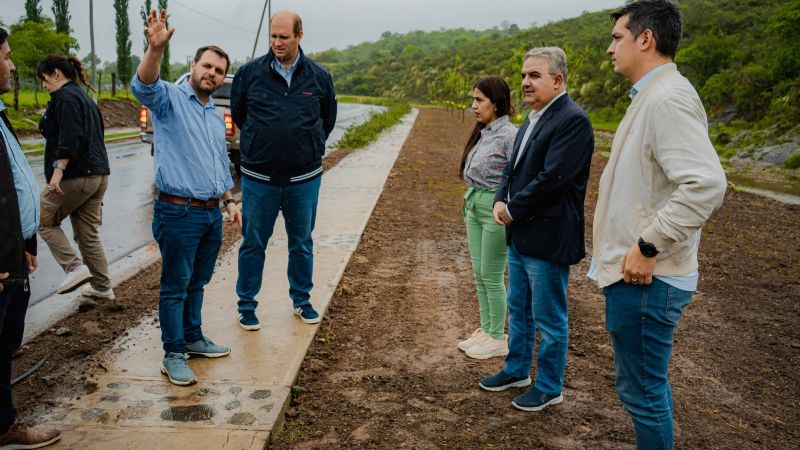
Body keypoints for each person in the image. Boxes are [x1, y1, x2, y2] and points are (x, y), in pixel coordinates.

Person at [593, 1, 726, 447]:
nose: (610, 48)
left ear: (645, 39)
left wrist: (647, 246)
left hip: (649, 279)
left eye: (617, 38)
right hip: (642, 278)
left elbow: (705, 184)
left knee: (643, 391)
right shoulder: (653, 95)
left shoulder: (667, 98)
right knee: (644, 387)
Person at [478, 47, 594, 413]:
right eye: (524, 75)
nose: (525, 82)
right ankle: (515, 370)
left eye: (535, 76)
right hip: (521, 234)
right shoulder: (531, 119)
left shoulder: (572, 120)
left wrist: (512, 209)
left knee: (549, 316)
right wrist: (499, 198)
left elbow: (552, 180)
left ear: (557, 80)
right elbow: (510, 170)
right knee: (519, 309)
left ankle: (549, 385)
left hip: (548, 235)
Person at [131, 9, 242, 386]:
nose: (212, 74)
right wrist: (155, 49)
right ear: (193, 65)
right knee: (175, 286)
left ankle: (194, 338)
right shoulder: (170, 100)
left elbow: (217, 163)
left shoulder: (214, 113)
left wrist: (228, 201)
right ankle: (173, 353)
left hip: (211, 214)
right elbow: (144, 84)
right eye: (207, 66)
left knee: (197, 282)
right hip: (178, 212)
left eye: (219, 71)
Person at [231, 10, 337, 331]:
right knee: (252, 243)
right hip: (258, 179)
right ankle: (246, 305)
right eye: (273, 37)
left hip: (303, 180)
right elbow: (240, 114)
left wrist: (308, 144)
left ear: (299, 36)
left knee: (301, 242)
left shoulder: (319, 76)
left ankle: (301, 301)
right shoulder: (249, 74)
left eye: (284, 37)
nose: (277, 43)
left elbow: (327, 119)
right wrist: (260, 145)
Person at [0, 27, 62, 449]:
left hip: (12, 255)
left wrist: (25, 244)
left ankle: (3, 424)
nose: (11, 64)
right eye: (4, 56)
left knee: (4, 346)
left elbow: (10, 187)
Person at [36, 55, 113, 300]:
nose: (44, 85)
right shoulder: (84, 97)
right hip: (99, 175)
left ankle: (74, 268)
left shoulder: (65, 97)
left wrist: (58, 171)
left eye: (45, 79)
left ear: (57, 73)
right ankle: (102, 288)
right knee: (87, 233)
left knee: (44, 220)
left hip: (76, 175)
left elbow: (71, 135)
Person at [457, 76, 516, 360]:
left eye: (479, 100)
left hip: (494, 206)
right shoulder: (485, 132)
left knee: (492, 275)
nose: (474, 106)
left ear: (497, 102)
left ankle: (496, 337)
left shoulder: (509, 136)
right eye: (474, 100)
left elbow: (518, 176)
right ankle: (487, 328)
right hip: (474, 203)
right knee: (479, 273)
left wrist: (507, 206)